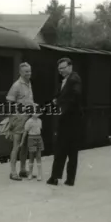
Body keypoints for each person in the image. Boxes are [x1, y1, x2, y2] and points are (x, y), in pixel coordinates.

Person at [47, 57, 83, 187]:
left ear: (70, 66)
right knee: (70, 151)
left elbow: (74, 97)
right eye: (59, 69)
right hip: (71, 121)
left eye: (63, 68)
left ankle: (55, 177)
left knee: (62, 149)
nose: (61, 71)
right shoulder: (68, 79)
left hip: (69, 121)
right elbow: (64, 96)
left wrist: (61, 107)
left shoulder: (74, 79)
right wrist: (57, 99)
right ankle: (68, 179)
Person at [6, 62, 34, 180]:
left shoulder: (29, 83)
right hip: (19, 120)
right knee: (16, 146)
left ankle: (22, 170)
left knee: (25, 146)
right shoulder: (16, 85)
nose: (29, 74)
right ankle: (13, 172)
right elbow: (9, 103)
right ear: (20, 72)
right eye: (26, 72)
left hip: (28, 119)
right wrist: (12, 120)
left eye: (29, 71)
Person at [20, 104, 44, 181]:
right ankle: (30, 173)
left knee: (38, 156)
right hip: (31, 138)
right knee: (31, 156)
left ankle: (39, 174)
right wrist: (22, 142)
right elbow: (25, 132)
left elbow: (40, 129)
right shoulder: (29, 121)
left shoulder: (40, 121)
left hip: (38, 138)